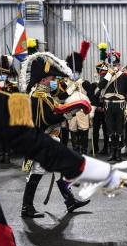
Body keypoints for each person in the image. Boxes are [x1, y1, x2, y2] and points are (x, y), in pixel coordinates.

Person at [0, 0, 127, 246]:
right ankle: (39, 203)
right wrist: (100, 172)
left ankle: (64, 199)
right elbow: (39, 144)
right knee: (37, 174)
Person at [19, 52, 92, 218]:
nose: (52, 81)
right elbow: (47, 119)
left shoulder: (43, 95)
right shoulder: (39, 96)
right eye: (51, 78)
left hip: (47, 138)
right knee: (36, 172)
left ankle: (70, 201)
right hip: (43, 138)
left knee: (59, 172)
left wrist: (69, 108)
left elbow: (56, 107)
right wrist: (70, 112)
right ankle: (26, 207)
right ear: (43, 79)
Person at [98, 49, 127, 162]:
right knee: (110, 129)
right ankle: (112, 152)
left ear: (119, 63)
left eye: (116, 63)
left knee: (119, 129)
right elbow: (101, 86)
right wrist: (109, 74)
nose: (115, 65)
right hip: (108, 105)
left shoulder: (124, 76)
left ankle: (118, 153)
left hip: (120, 105)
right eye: (113, 64)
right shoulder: (106, 75)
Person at [65, 41, 92, 155]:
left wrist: (91, 112)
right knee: (73, 131)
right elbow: (63, 96)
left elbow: (91, 98)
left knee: (84, 131)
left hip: (82, 112)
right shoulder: (65, 83)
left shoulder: (85, 83)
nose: (74, 73)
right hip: (71, 111)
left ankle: (84, 152)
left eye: (76, 71)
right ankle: (76, 152)